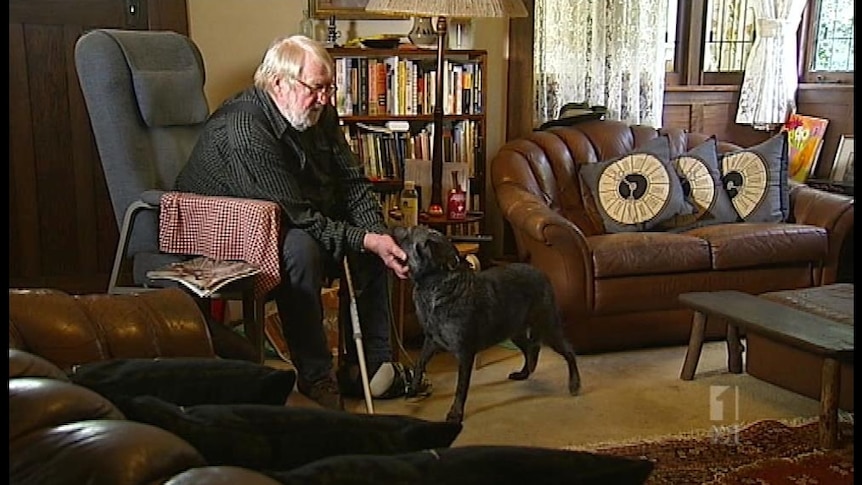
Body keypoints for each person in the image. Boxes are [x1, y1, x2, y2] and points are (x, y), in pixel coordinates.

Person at [175, 35, 412, 410]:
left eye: (329, 88)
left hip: (286, 216)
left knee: (373, 240)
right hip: (220, 229)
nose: (326, 99)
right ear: (279, 83)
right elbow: (301, 218)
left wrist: (376, 235)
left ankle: (369, 367)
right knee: (303, 249)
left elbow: (351, 181)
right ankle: (316, 375)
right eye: (317, 88)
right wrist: (365, 239)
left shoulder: (320, 112)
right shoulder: (244, 129)